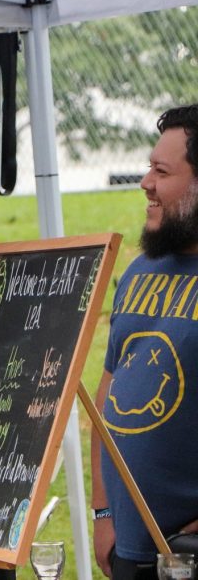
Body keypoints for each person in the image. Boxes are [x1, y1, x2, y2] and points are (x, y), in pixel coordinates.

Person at [91, 104, 198, 580]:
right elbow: (107, 394)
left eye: (161, 171)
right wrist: (103, 513)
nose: (145, 183)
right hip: (131, 549)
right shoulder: (139, 272)